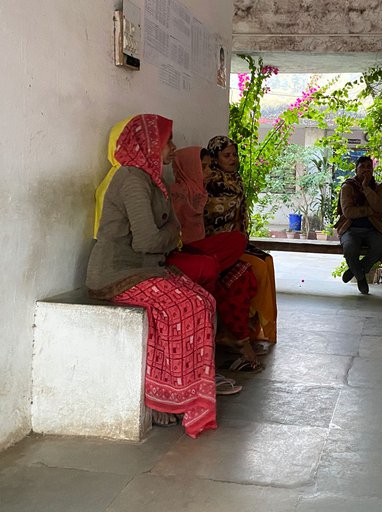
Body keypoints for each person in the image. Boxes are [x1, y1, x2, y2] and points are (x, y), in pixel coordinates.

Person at [86, 114, 217, 438]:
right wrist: (171, 234)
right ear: (149, 145)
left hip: (143, 269)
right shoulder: (131, 179)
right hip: (117, 274)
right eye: (167, 141)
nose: (172, 148)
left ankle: (181, 393)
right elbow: (150, 239)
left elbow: (172, 229)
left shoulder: (151, 179)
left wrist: (171, 232)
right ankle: (165, 399)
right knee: (184, 306)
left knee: (203, 300)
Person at [171, 146, 263, 371]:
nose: (209, 171)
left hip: (203, 251)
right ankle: (239, 342)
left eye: (209, 166)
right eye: (202, 167)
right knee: (227, 253)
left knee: (242, 272)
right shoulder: (178, 194)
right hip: (184, 253)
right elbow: (173, 236)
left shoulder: (201, 191)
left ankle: (232, 336)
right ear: (190, 168)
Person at [204, 135, 278, 344]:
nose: (233, 159)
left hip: (236, 241)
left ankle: (259, 328)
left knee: (267, 261)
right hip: (218, 244)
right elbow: (212, 215)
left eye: (234, 154)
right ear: (215, 157)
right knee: (259, 268)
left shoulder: (235, 179)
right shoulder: (212, 182)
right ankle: (246, 329)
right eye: (226, 155)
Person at [334, 155, 382, 295]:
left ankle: (356, 271)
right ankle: (360, 277)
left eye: (368, 167)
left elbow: (380, 207)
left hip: (373, 228)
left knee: (381, 246)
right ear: (356, 169)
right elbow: (348, 212)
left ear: (373, 169)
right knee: (350, 249)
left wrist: (366, 188)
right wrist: (371, 210)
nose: (365, 170)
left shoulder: (379, 187)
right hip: (350, 229)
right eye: (362, 167)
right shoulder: (348, 187)